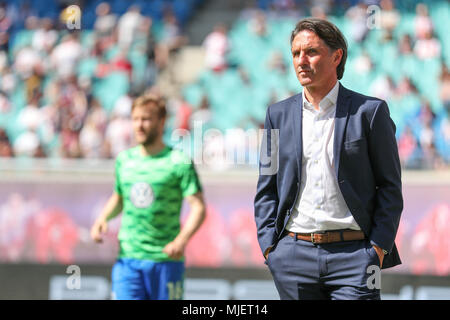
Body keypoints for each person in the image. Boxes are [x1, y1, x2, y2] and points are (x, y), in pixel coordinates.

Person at [254, 18, 403, 300]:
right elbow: (266, 187)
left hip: (356, 258)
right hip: (292, 257)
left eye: (311, 51)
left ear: (337, 56)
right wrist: (271, 248)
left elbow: (390, 187)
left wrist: (377, 250)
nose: (301, 60)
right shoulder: (276, 115)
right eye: (296, 53)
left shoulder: (370, 112)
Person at [91, 93, 206, 300]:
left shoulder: (178, 162)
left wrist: (181, 241)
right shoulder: (124, 160)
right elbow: (119, 197)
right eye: (135, 119)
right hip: (128, 260)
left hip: (165, 260)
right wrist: (103, 218)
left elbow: (198, 207)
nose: (139, 125)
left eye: (145, 119)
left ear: (162, 122)